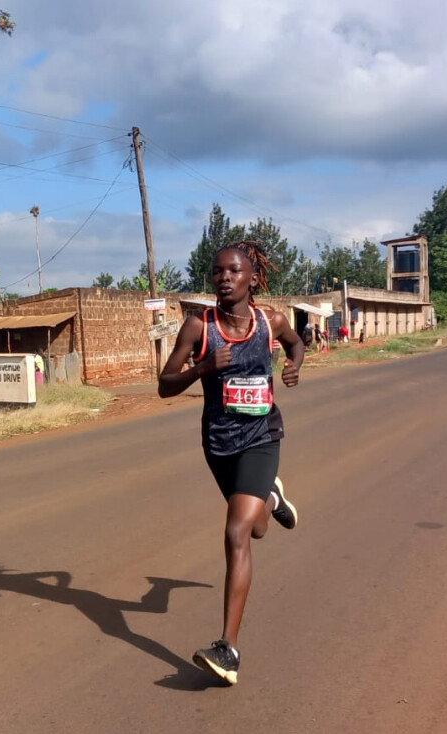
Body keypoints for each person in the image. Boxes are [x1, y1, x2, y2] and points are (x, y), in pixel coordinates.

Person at [157, 240, 304, 686]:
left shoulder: (271, 321)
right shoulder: (198, 327)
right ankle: (272, 497)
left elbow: (296, 345)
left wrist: (294, 366)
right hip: (219, 444)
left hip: (262, 437)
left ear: (252, 278)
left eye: (234, 271)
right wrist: (202, 368)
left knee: (237, 531)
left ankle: (228, 649)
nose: (224, 278)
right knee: (257, 528)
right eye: (218, 271)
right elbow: (165, 385)